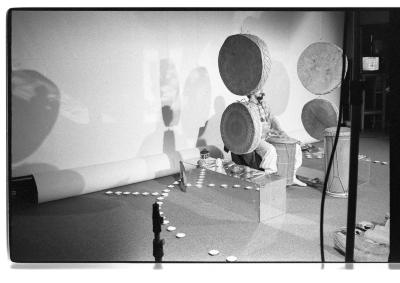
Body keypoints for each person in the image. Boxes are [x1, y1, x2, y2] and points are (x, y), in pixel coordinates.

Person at [247, 91, 306, 186]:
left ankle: (292, 176)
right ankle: (269, 179)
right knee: (270, 150)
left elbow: (272, 119)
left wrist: (282, 133)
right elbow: (252, 127)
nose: (262, 92)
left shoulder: (264, 104)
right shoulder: (248, 107)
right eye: (259, 90)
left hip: (268, 136)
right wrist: (265, 129)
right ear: (252, 92)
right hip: (256, 139)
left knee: (296, 147)